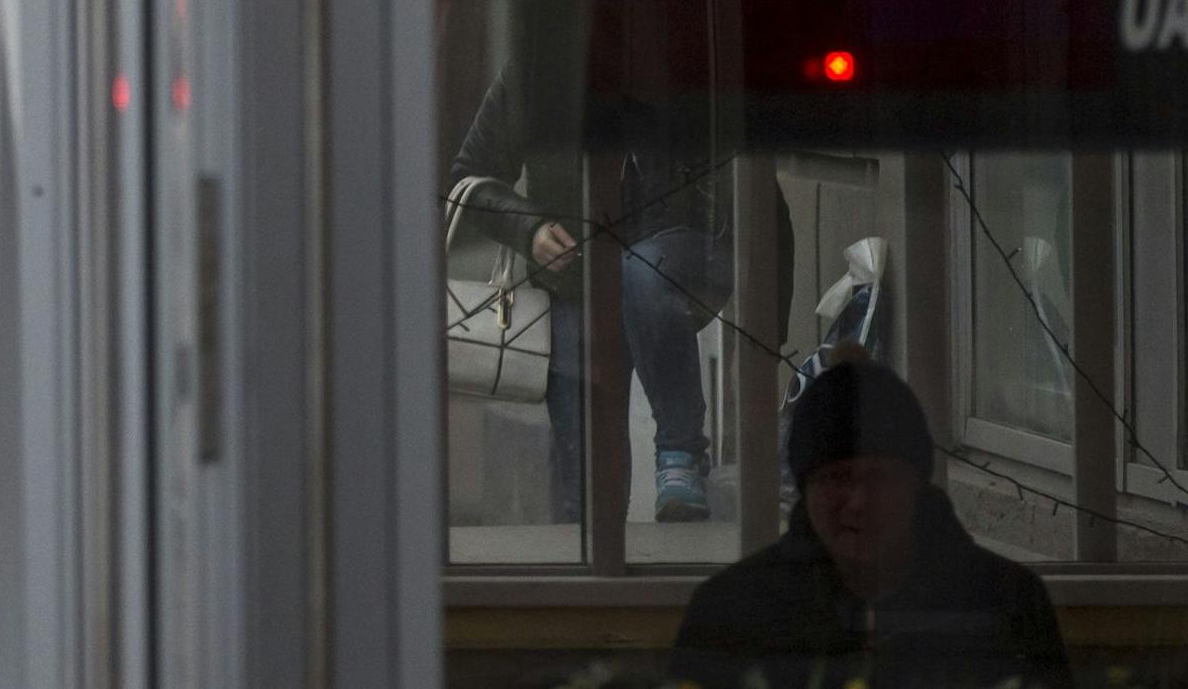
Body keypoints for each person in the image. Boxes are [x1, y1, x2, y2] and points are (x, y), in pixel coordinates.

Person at [448, 63, 783, 523]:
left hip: (678, 257)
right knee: (581, 482)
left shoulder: (688, 58)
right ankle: (587, 566)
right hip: (577, 280)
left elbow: (764, 193)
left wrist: (771, 334)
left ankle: (680, 455)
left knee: (640, 275)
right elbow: (469, 177)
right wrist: (532, 230)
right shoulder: (532, 71)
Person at [670, 355, 1070, 689]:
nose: (859, 502)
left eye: (879, 477)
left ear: (916, 483)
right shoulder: (731, 612)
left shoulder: (1006, 603)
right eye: (837, 478)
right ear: (804, 488)